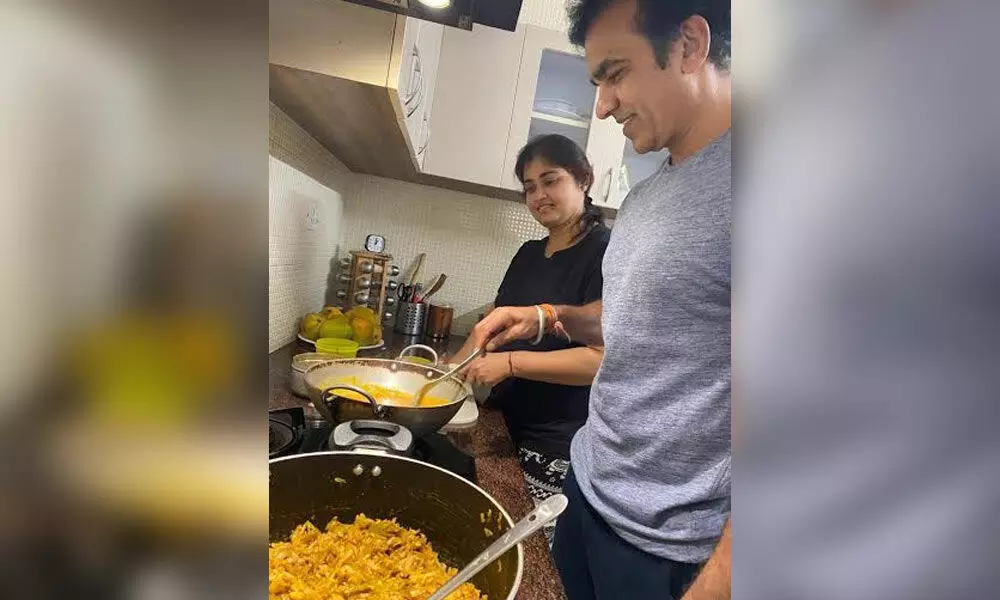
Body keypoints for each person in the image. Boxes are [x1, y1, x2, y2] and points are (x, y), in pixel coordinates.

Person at [467, 1, 731, 599]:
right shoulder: (648, 195)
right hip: (589, 495)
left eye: (615, 73)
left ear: (690, 44)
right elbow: (633, 324)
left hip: (673, 547)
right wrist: (546, 317)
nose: (603, 104)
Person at [453, 134, 610, 544]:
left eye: (550, 180)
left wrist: (509, 364)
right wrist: (445, 374)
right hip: (503, 423)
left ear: (584, 180)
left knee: (529, 556)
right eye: (529, 187)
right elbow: (492, 328)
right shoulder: (527, 253)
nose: (539, 195)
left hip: (557, 441)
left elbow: (600, 359)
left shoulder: (606, 254)